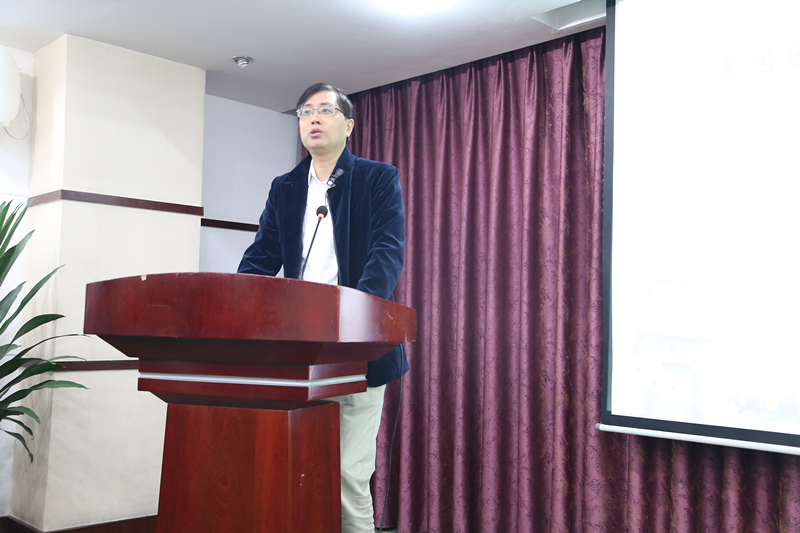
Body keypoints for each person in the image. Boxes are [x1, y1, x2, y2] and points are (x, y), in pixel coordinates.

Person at [238, 83, 409, 533]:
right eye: (305, 111)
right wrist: (236, 302)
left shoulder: (377, 178)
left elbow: (387, 254)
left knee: (348, 476)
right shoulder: (285, 188)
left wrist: (354, 317)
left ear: (348, 126)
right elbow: (261, 257)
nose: (313, 117)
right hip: (299, 356)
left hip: (358, 351)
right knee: (298, 471)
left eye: (325, 110)